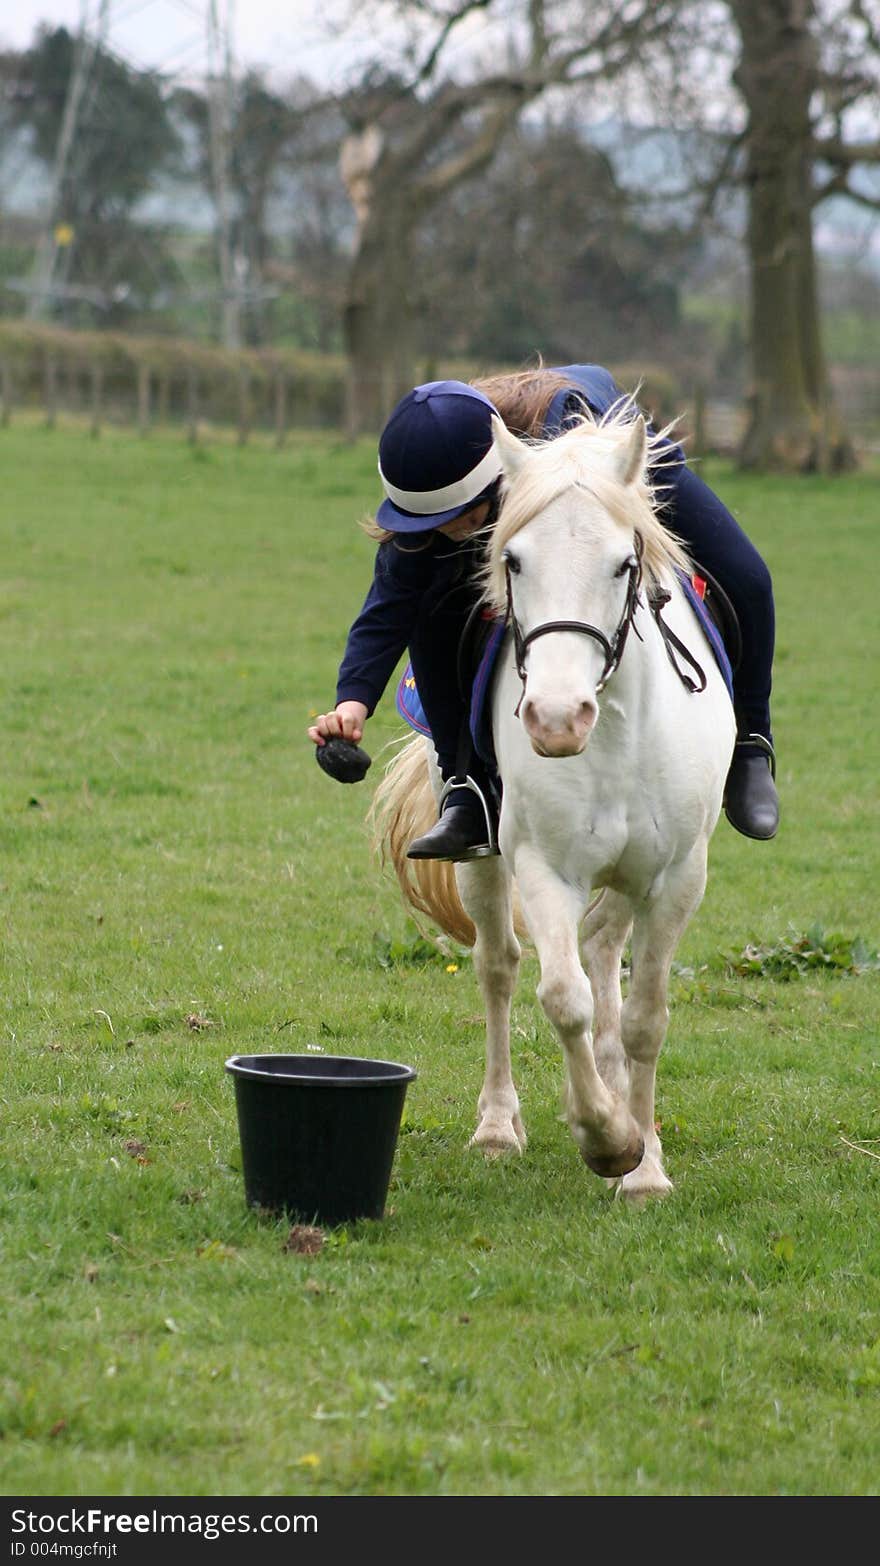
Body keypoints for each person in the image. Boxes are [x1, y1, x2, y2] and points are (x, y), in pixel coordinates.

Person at [308, 367, 780, 858]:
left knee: (748, 576)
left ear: (493, 485)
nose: (446, 531)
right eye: (429, 522)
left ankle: (752, 744)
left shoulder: (567, 441)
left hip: (618, 459)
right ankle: (465, 789)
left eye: (458, 518)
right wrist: (351, 705)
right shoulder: (436, 501)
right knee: (431, 607)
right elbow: (388, 609)